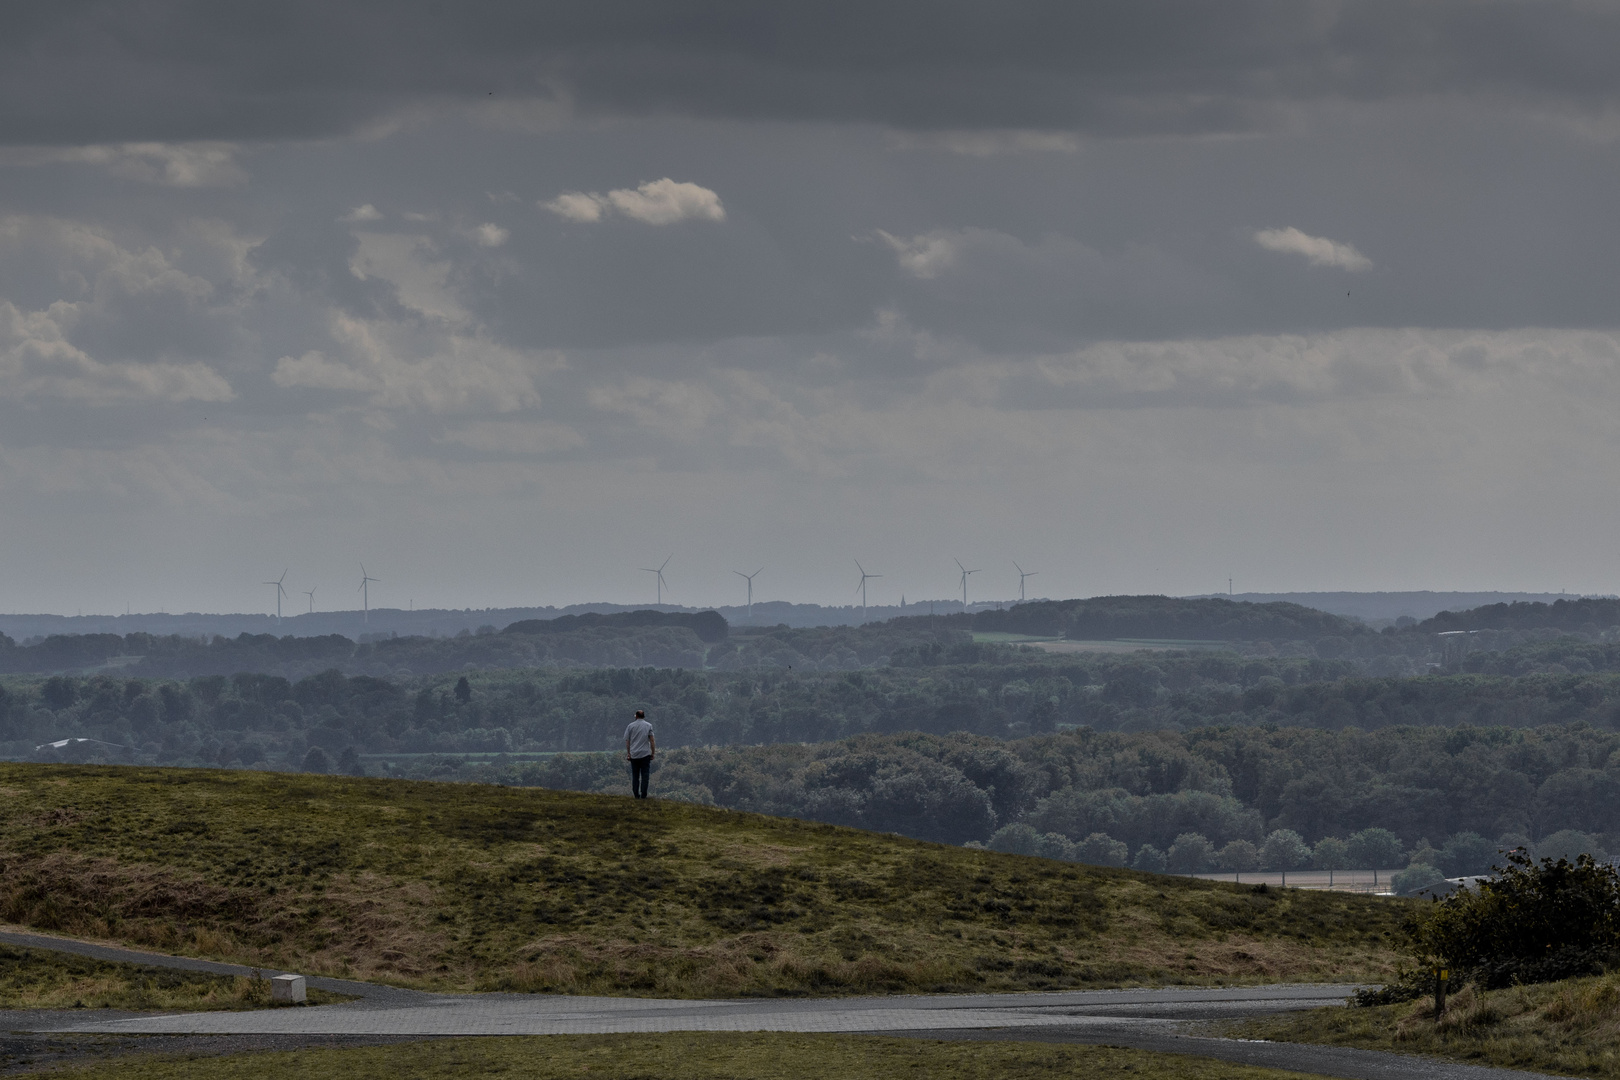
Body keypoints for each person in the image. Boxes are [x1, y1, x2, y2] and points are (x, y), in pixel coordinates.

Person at [624, 709, 655, 799]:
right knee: (645, 776)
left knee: (635, 776)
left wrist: (629, 753)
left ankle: (636, 794)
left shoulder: (630, 726)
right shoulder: (648, 726)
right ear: (643, 716)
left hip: (634, 754)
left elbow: (627, 741)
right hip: (645, 754)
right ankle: (643, 795)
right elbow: (652, 740)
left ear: (636, 716)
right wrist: (653, 752)